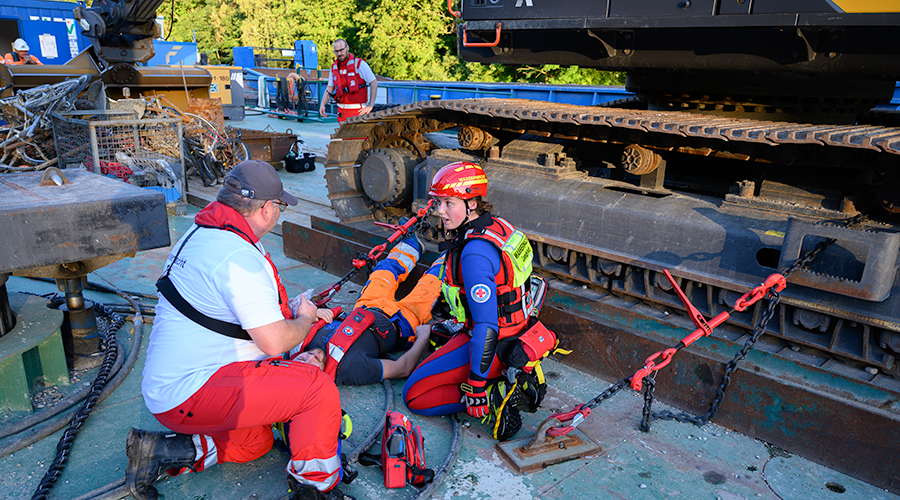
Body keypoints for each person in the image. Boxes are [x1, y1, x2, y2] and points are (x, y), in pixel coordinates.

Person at [128, 160, 351, 500]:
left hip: (173, 387)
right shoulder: (238, 259)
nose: (278, 212)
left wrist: (289, 310)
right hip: (194, 390)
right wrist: (304, 319)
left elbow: (229, 310)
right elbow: (275, 342)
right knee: (315, 390)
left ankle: (159, 451)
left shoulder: (204, 233)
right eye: (278, 205)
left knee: (255, 441)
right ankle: (315, 490)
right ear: (265, 209)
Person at [402, 161, 550, 442]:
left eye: (449, 203)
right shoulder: (498, 227)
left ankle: (497, 396)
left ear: (472, 203)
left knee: (415, 395)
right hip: (520, 331)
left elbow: (486, 327)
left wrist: (477, 386)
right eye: (438, 202)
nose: (440, 211)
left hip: (492, 342)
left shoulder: (474, 254)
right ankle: (519, 373)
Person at [294, 234, 443, 386]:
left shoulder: (302, 339)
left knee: (384, 271)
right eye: (312, 366)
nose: (311, 357)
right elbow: (403, 368)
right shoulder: (350, 370)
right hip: (402, 321)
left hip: (367, 305)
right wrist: (423, 337)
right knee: (432, 285)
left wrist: (313, 313)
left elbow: (287, 312)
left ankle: (411, 245)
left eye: (302, 358)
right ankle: (450, 257)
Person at [318, 39, 377, 122]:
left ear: (347, 47)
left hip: (359, 113)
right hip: (342, 113)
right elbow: (329, 89)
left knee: (359, 135)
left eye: (341, 50)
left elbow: (374, 83)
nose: (339, 54)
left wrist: (371, 105)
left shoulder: (359, 64)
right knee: (343, 135)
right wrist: (322, 104)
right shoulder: (334, 68)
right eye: (336, 51)